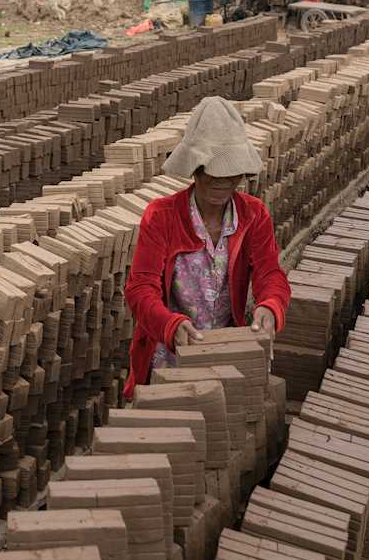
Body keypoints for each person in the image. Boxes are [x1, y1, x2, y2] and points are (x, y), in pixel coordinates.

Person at [123, 96, 291, 398]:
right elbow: (140, 288)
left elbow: (270, 273)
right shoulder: (162, 216)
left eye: (230, 172)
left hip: (229, 348)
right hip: (171, 352)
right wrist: (170, 325)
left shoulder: (253, 215)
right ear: (195, 169)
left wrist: (271, 306)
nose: (220, 180)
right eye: (209, 170)